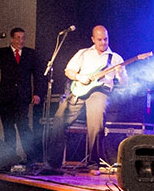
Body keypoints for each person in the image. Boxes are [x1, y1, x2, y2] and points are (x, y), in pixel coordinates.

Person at [46, 25, 125, 169]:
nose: (103, 42)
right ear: (93, 39)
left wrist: (120, 72)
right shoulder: (83, 53)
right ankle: (53, 163)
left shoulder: (115, 58)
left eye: (105, 39)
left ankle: (94, 163)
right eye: (99, 40)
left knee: (96, 125)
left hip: (100, 91)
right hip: (80, 89)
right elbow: (68, 71)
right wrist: (79, 77)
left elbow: (125, 82)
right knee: (59, 119)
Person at [0, 27, 43, 159]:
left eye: (23, 38)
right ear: (11, 39)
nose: (20, 41)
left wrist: (37, 93)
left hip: (22, 97)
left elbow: (38, 75)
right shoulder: (3, 53)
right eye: (17, 38)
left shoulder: (30, 54)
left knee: (23, 127)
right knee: (8, 129)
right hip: (6, 97)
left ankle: (31, 157)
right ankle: (11, 158)